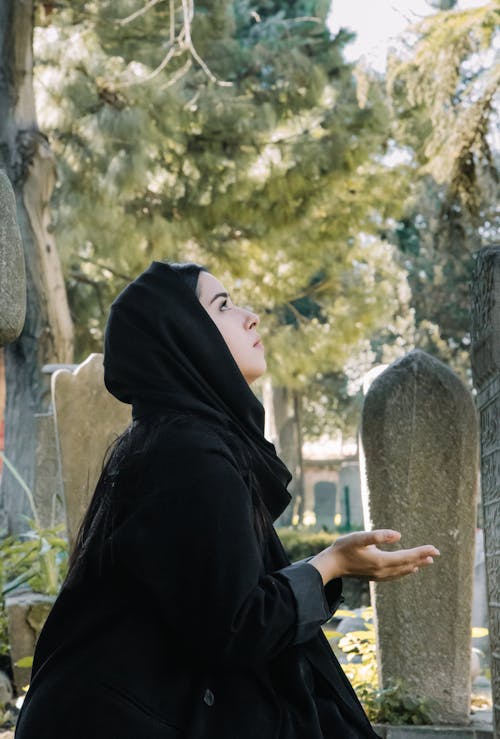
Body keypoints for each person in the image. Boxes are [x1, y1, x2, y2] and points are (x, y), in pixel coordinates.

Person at [15, 261, 439, 739]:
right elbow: (235, 626)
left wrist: (330, 565)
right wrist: (330, 564)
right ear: (184, 336)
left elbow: (211, 601)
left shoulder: (168, 440)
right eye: (223, 306)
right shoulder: (190, 452)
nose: (250, 316)